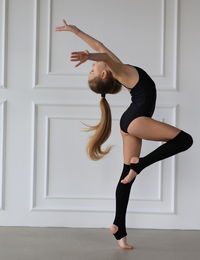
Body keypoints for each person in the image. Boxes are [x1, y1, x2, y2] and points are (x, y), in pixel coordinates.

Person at [55, 20, 193, 249]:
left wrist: (75, 31)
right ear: (105, 75)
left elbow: (100, 46)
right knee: (184, 140)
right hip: (136, 120)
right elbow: (101, 55)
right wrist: (90, 58)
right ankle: (140, 166)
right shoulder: (116, 69)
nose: (92, 67)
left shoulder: (117, 68)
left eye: (90, 70)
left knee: (125, 175)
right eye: (92, 71)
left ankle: (119, 228)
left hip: (129, 121)